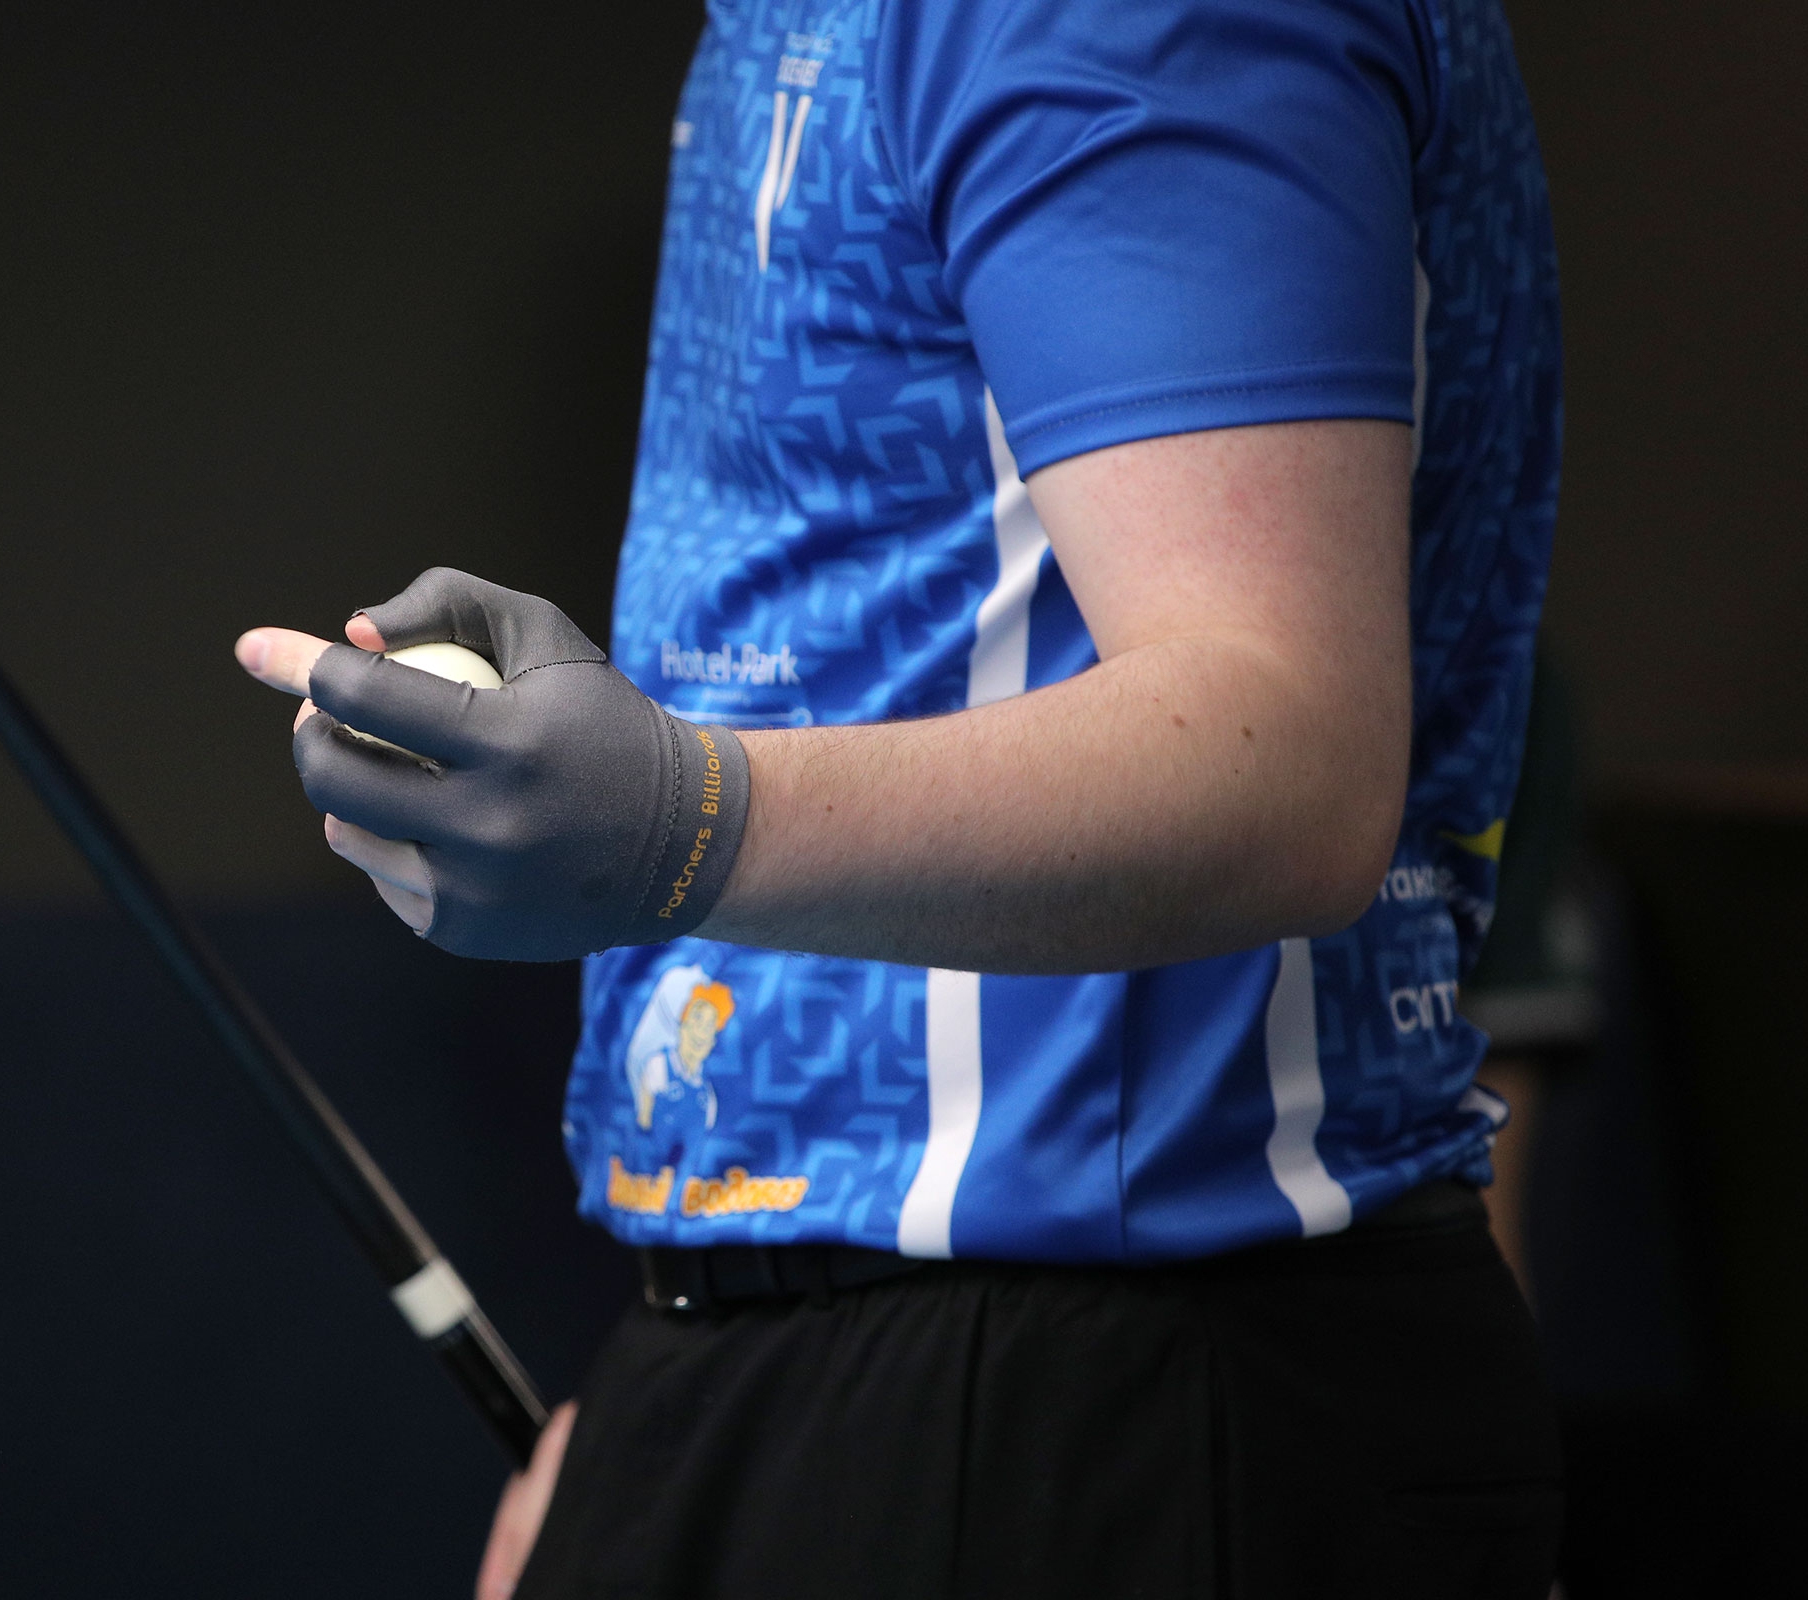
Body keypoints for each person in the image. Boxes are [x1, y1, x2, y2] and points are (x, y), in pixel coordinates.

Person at [235, 0, 1562, 1591]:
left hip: (1105, 1403)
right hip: (831, 1363)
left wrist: (679, 822)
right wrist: (700, 1426)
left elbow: (1284, 762)